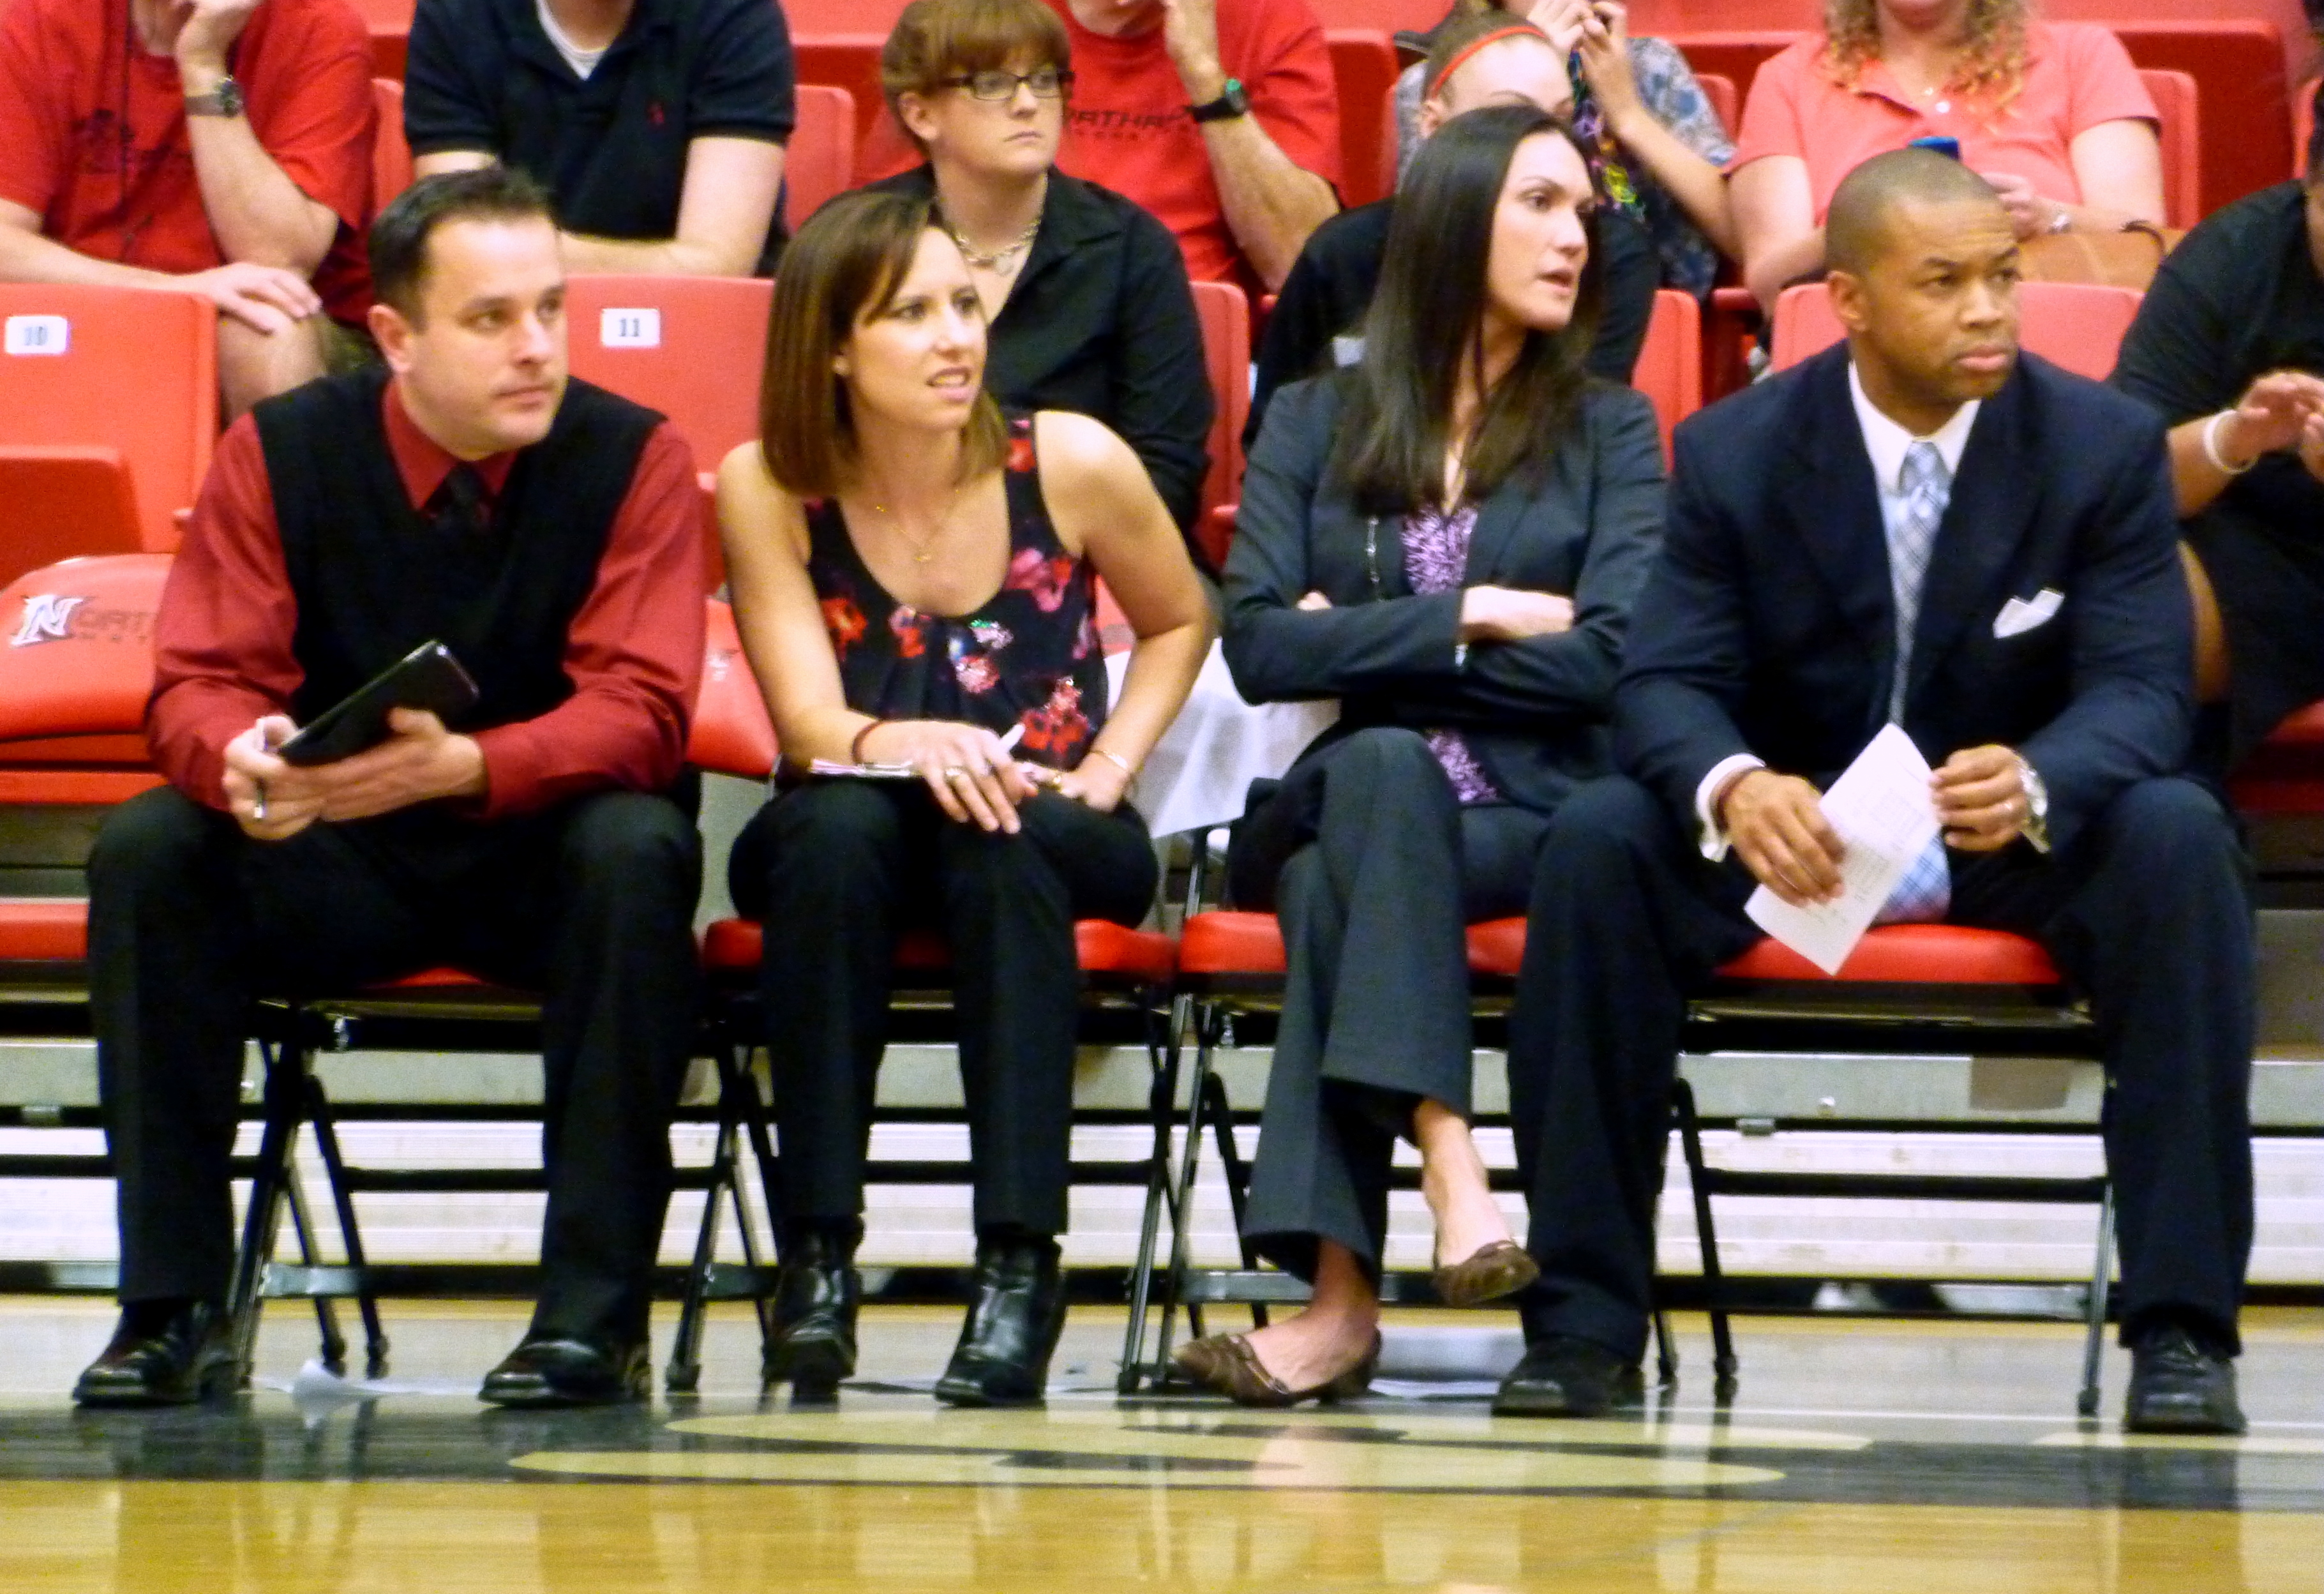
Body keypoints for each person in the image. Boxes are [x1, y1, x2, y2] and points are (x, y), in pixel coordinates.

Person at [1506, 149, 2254, 1436]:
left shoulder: (2099, 447)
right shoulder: (1736, 448)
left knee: (2177, 834)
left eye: (2000, 278)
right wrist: (1733, 786)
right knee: (1596, 841)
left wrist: (2038, 774)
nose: (1985, 310)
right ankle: (1582, 1325)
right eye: (1944, 282)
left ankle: (2180, 1332)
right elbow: (1659, 684)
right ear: (1845, 300)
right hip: (1797, 834)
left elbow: (2142, 692)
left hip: (2004, 832)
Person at [73, 169, 707, 1410]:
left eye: (551, 310)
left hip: (539, 851)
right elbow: (197, 681)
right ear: (396, 335)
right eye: (490, 319)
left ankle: (591, 1319)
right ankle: (173, 1308)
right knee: (152, 848)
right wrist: (239, 762)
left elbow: (642, 710)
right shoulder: (283, 449)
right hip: (335, 854)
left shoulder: (635, 453)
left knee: (637, 849)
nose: (536, 350)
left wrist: (472, 765)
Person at [1170, 103, 1664, 1406]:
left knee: (1352, 856)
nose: (1574, 240)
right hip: (1336, 791)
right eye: (1539, 206)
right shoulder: (1311, 420)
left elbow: (1608, 657)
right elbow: (1261, 650)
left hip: (1520, 821)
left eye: (1582, 215)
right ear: (1453, 219)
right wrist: (1472, 614)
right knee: (1381, 777)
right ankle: (1449, 1155)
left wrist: (1370, 640)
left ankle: (1336, 1307)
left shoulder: (1608, 430)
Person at [718, 189, 1209, 1406]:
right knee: (831, 830)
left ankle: (1017, 1265)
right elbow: (806, 725)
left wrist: (1110, 768)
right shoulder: (767, 482)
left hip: (1047, 820)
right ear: (833, 346)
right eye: (912, 314)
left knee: (1002, 840)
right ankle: (818, 1255)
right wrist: (909, 738)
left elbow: (1183, 614)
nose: (955, 337)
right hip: (859, 811)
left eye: (964, 304)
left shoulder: (1073, 459)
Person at [869, 0, 1213, 542]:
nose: (1028, 103)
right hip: (892, 546)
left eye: (1045, 80)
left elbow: (1167, 474)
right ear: (920, 113)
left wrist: (1017, 558)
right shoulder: (858, 243)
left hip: (1092, 561)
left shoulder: (1130, 248)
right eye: (991, 84)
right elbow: (811, 436)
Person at [1248, 8, 1660, 447]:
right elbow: (1273, 440)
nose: (1544, 141)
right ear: (1433, 124)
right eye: (1507, 115)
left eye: (1558, 119)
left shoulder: (1605, 250)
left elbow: (1580, 442)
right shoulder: (1342, 253)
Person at [0, 0, 376, 417]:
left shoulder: (318, 28)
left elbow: (278, 258)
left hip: (277, 321)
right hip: (85, 301)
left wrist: (203, 65)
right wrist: (173, 292)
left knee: (266, 329)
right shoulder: (36, 21)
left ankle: (269, 484)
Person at [2110, 98, 2324, 769]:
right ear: (2306, 191)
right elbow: (2123, 480)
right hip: (2249, 541)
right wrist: (2231, 438)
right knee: (2115, 603)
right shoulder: (2234, 255)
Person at [1730, 0, 2163, 311]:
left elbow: (2143, 240)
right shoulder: (1788, 78)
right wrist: (1874, 222)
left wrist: (2046, 217)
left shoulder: (2079, 55)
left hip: (2048, 331)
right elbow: (1772, 284)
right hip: (1862, 350)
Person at [406, 0, 795, 275]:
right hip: (507, 319)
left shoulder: (737, 14)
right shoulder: (456, 14)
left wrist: (519, 254)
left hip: (697, 324)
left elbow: (717, 267)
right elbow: (464, 243)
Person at [1393, 0, 1737, 300]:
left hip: (1647, 304)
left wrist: (1629, 116)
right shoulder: (1437, 82)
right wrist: (1533, 73)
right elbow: (1424, 241)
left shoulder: (1651, 66)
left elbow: (1740, 234)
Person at [1046, 0, 1340, 293]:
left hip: (1199, 315)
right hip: (1044, 308)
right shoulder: (1012, 16)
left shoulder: (1269, 19)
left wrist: (1204, 73)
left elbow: (1301, 269)